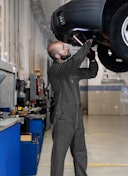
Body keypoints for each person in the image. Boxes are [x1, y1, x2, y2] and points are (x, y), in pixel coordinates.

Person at [47, 39, 98, 176]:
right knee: (59, 155)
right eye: (63, 48)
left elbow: (91, 73)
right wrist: (87, 44)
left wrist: (93, 60)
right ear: (57, 56)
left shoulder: (72, 71)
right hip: (63, 118)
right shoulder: (55, 70)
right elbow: (75, 61)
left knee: (80, 151)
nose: (67, 49)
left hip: (77, 117)